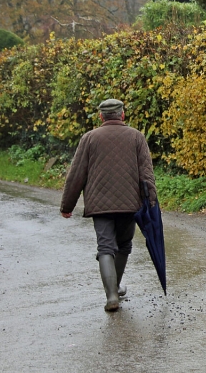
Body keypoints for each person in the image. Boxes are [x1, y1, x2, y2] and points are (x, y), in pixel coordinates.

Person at [60, 98, 157, 312]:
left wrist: (67, 205)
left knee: (105, 246)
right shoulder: (136, 137)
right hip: (129, 203)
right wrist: (150, 202)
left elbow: (77, 174)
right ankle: (115, 287)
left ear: (101, 116)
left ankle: (112, 294)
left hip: (99, 204)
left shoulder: (89, 138)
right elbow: (146, 174)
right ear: (122, 115)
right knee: (123, 245)